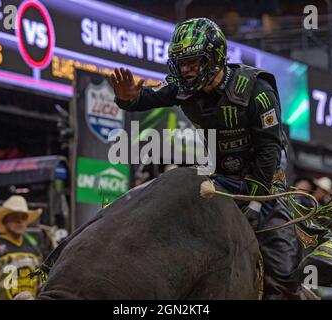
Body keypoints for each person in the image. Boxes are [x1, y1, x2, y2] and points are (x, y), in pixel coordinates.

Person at [112, 17, 302, 299]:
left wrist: (254, 203)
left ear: (214, 57)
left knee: (285, 272)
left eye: (192, 61)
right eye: (180, 63)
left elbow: (269, 152)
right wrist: (127, 99)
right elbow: (148, 99)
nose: (185, 70)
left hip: (264, 188)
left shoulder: (257, 90)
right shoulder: (183, 88)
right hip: (218, 183)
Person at [0, 195, 43, 300]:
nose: (20, 221)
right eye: (15, 217)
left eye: (23, 217)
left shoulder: (35, 251)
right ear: (5, 220)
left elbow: (40, 287)